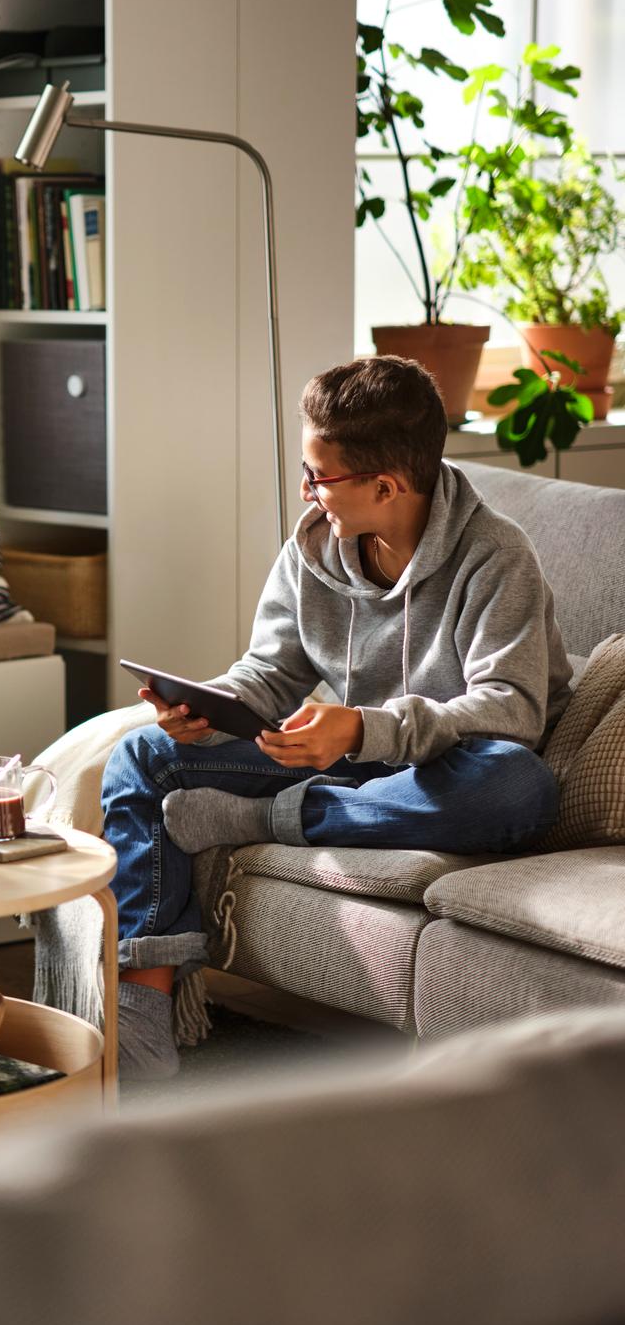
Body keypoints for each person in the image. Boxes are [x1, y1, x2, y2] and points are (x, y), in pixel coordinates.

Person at [104, 354, 569, 1084]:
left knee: (521, 788)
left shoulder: (496, 556)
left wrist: (363, 728)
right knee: (139, 758)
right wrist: (208, 708)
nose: (306, 491)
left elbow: (511, 709)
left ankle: (263, 819)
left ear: (386, 486)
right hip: (345, 756)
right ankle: (141, 1005)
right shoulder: (312, 547)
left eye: (318, 476)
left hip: (449, 767)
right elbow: (272, 671)